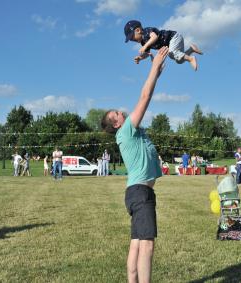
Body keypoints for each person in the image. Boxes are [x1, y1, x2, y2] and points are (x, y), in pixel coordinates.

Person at [100, 46, 168, 283]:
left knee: (137, 245)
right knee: (147, 245)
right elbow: (145, 96)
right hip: (141, 192)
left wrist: (156, 68)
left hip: (135, 192)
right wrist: (151, 67)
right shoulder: (128, 129)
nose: (121, 112)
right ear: (117, 123)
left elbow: (149, 89)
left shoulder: (127, 131)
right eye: (117, 114)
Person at [124, 20, 202, 71]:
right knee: (179, 60)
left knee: (172, 54)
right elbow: (147, 54)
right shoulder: (143, 42)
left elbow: (154, 37)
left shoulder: (146, 31)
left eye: (132, 37)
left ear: (138, 30)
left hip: (174, 37)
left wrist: (145, 46)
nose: (132, 40)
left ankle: (191, 58)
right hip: (171, 44)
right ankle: (191, 49)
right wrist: (140, 58)